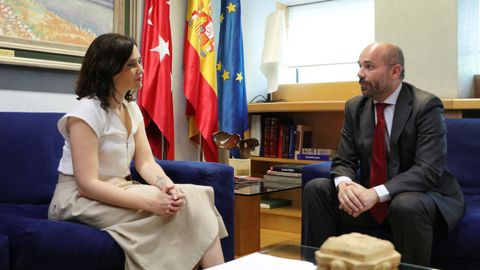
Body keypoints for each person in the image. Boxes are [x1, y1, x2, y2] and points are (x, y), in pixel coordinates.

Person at [48, 33, 227, 270]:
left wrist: (166, 187)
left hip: (119, 187)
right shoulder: (85, 113)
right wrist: (148, 201)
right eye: (131, 65)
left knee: (194, 196)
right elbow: (87, 184)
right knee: (170, 214)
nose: (141, 69)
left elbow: (146, 163)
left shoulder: (131, 109)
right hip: (78, 199)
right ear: (108, 69)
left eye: (140, 61)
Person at [302, 42, 465, 266]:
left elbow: (428, 169)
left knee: (405, 204)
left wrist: (375, 194)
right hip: (372, 195)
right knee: (317, 189)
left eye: (369, 66)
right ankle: (319, 264)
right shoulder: (355, 107)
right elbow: (344, 159)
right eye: (360, 66)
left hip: (425, 194)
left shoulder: (425, 105)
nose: (359, 73)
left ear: (395, 71)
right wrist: (345, 186)